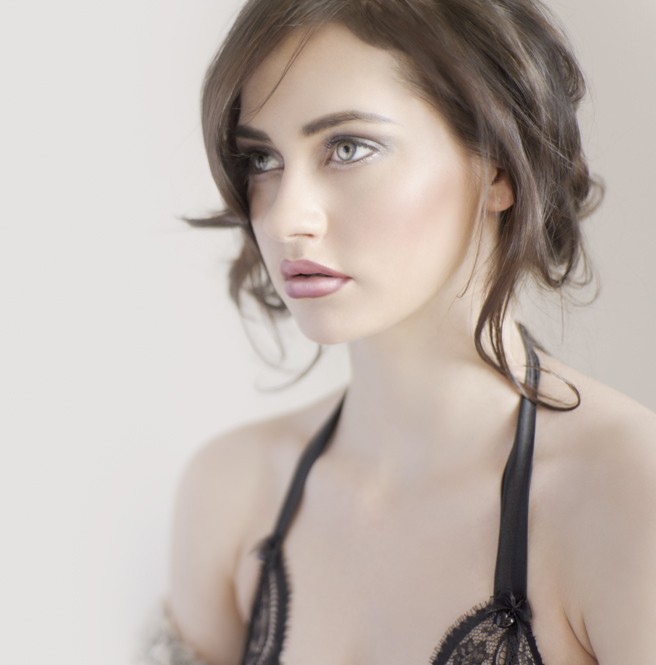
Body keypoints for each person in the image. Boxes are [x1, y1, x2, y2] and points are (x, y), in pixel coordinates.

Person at [138, 0, 656, 663]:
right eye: (263, 159)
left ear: (498, 164)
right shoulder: (231, 492)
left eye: (348, 148)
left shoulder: (625, 494)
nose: (287, 219)